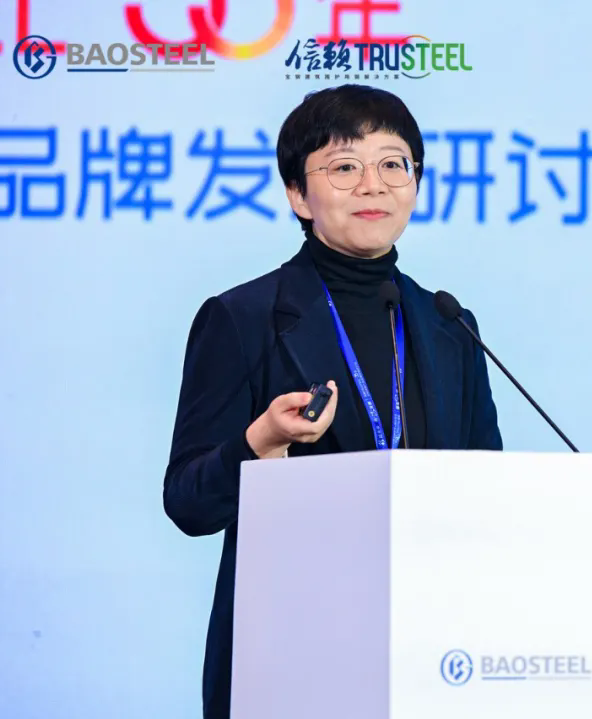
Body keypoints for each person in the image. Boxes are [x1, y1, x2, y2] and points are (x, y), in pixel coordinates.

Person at [162, 84, 503, 719]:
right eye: (344, 167)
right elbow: (187, 502)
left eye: (393, 164)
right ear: (298, 194)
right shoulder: (244, 318)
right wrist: (260, 443)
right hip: (290, 649)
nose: (373, 185)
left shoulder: (450, 325)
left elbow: (488, 490)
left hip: (432, 652)